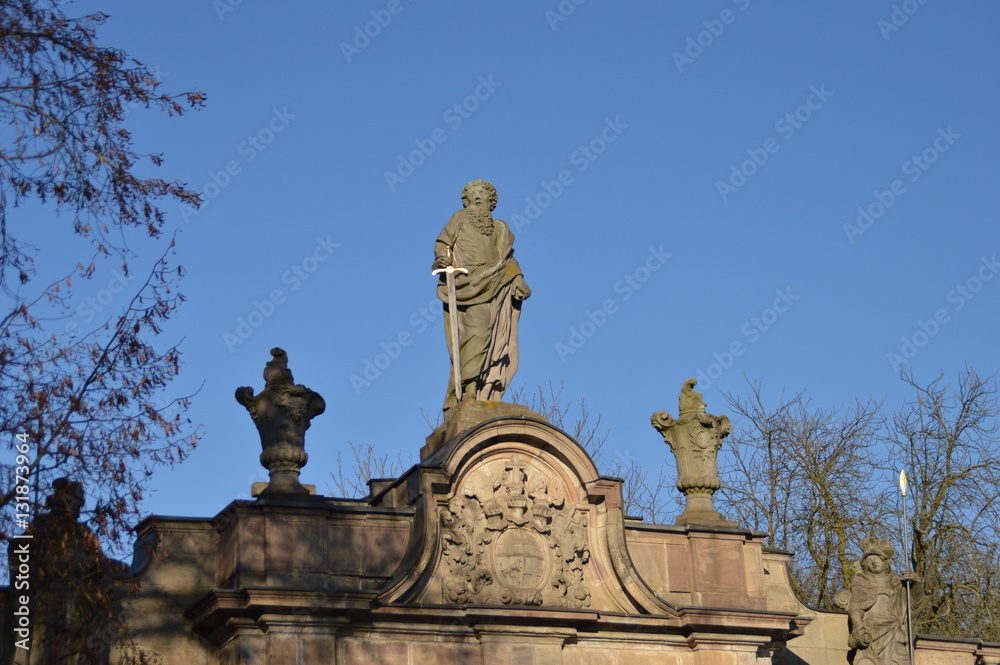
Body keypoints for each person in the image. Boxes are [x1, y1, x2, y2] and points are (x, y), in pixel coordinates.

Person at [433, 180, 531, 412]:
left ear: (491, 201)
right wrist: (442, 259)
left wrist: (518, 278)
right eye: (473, 195)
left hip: (495, 282)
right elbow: (443, 244)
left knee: (494, 338)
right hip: (468, 282)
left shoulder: (500, 228)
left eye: (483, 195)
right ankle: (468, 390)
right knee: (476, 334)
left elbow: (506, 259)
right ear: (467, 200)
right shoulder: (459, 218)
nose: (478, 198)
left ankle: (483, 389)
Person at [848, 537, 923, 665]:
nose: (873, 562)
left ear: (885, 561)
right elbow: (855, 608)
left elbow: (915, 603)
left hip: (895, 633)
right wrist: (858, 627)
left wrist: (916, 583)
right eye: (869, 560)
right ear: (865, 564)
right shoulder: (861, 582)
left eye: (877, 558)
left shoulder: (898, 584)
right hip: (872, 634)